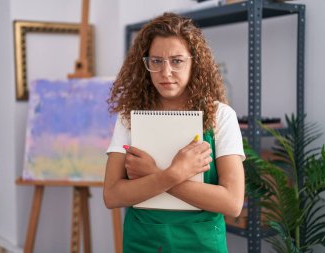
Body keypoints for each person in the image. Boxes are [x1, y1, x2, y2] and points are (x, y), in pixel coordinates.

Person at [103, 12, 245, 252]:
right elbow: (112, 195)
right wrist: (174, 173)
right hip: (143, 242)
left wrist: (153, 173)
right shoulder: (129, 117)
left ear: (194, 62)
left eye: (177, 61)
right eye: (156, 61)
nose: (165, 72)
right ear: (145, 63)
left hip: (202, 243)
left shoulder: (221, 115)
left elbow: (232, 203)